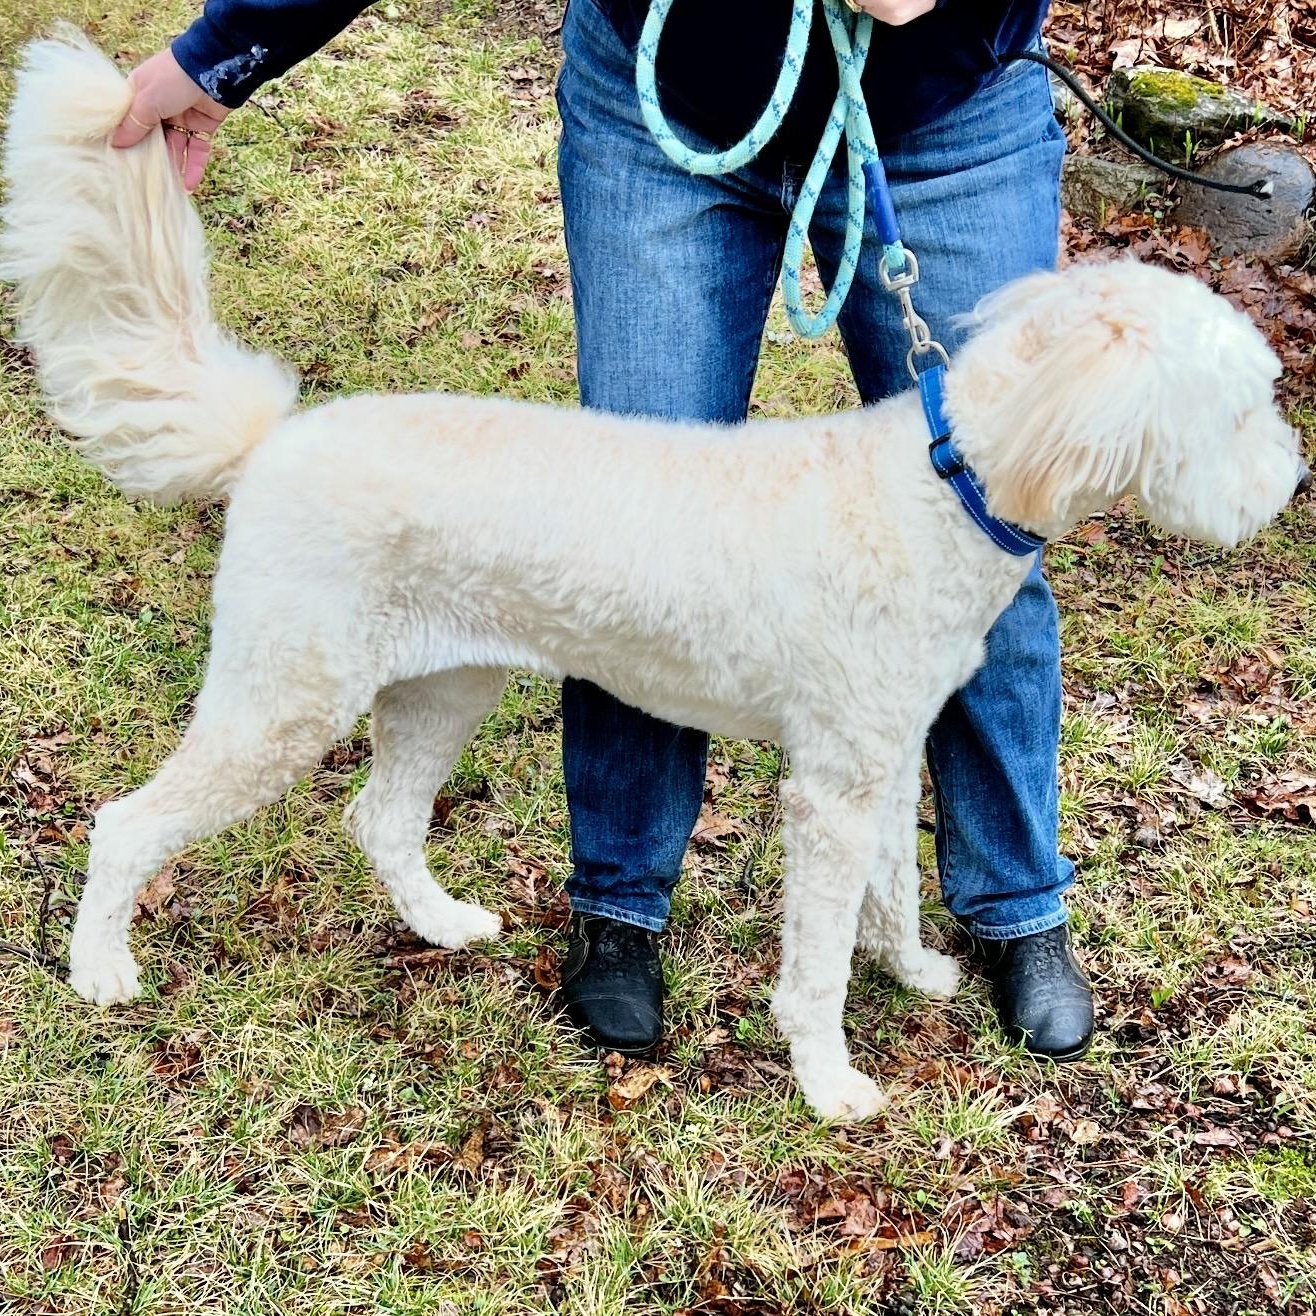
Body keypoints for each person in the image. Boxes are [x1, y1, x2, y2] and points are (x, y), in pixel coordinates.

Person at [113, 0, 1094, 1064]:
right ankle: (620, 903)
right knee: (625, 543)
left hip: (949, 109)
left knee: (992, 525)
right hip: (661, 95)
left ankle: (1015, 904)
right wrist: (222, 50)